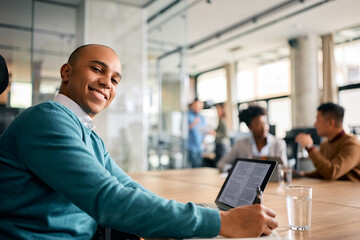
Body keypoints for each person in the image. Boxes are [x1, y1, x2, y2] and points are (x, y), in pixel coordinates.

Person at [0, 44, 278, 239]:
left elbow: (126, 186)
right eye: (97, 69)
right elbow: (108, 200)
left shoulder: (85, 131)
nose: (107, 83)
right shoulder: (48, 118)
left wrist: (194, 215)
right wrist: (221, 222)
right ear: (66, 72)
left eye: (115, 80)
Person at [295, 102, 360, 182]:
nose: (315, 124)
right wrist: (299, 174)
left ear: (330, 123)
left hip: (352, 193)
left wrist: (310, 147)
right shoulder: (325, 145)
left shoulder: (352, 144)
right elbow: (323, 172)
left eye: (318, 120)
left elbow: (332, 173)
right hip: (335, 190)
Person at [217, 105, 287, 171]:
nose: (264, 128)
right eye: (258, 124)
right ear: (249, 127)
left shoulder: (278, 144)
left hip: (273, 183)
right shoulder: (240, 144)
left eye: (265, 123)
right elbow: (221, 163)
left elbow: (285, 169)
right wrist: (234, 170)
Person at [187, 98, 214, 168]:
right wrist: (194, 123)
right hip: (191, 146)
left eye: (199, 106)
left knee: (199, 166)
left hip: (200, 147)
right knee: (195, 166)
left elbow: (203, 130)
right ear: (193, 105)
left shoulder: (201, 117)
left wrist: (205, 139)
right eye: (196, 105)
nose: (198, 107)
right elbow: (184, 130)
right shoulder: (188, 115)